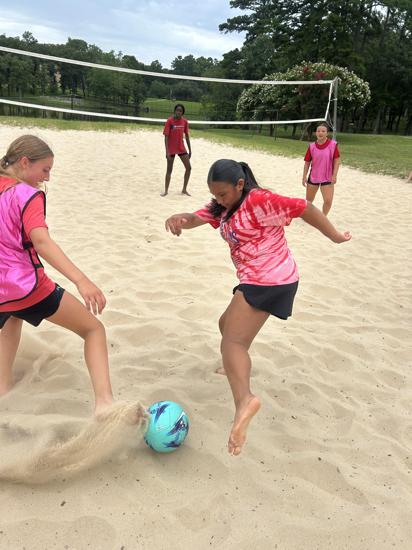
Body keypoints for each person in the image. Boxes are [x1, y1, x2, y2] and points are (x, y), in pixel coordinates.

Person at [165, 159, 351, 456]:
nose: (218, 200)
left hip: (270, 279)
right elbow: (198, 217)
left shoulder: (258, 201)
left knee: (232, 343)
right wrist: (180, 219)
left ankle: (244, 400)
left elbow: (306, 208)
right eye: (215, 195)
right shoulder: (224, 206)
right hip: (258, 278)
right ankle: (234, 367)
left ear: (240, 185)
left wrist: (336, 236)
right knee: (225, 325)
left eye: (222, 194)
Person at [0, 135, 114, 416]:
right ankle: (105, 404)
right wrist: (81, 280)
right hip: (24, 286)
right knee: (94, 330)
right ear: (24, 162)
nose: (47, 178)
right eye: (45, 169)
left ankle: (3, 388)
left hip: (2, 291)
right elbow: (42, 242)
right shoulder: (27, 194)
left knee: (12, 317)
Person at [302, 122, 340, 216]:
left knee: (328, 201)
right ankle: (308, 217)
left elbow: (337, 161)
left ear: (327, 133)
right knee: (309, 202)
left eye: (323, 131)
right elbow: (307, 163)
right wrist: (304, 176)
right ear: (316, 133)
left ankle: (323, 217)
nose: (320, 133)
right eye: (318, 131)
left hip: (328, 177)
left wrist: (334, 175)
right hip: (314, 177)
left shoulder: (333, 145)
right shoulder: (312, 146)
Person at [162, 103, 192, 197]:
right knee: (169, 170)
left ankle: (184, 189)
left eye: (180, 111)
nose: (179, 112)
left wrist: (190, 150)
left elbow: (187, 136)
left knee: (188, 168)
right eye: (177, 110)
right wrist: (167, 152)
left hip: (181, 148)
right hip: (171, 149)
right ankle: (166, 191)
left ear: (182, 113)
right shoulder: (169, 121)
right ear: (174, 111)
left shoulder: (185, 122)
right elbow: (166, 137)